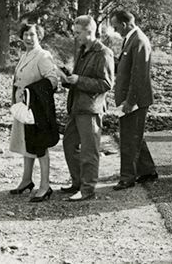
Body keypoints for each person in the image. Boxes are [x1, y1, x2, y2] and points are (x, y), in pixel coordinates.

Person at [59, 15, 114, 202]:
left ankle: (87, 189)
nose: (75, 36)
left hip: (91, 109)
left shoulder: (104, 53)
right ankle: (78, 183)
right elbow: (80, 78)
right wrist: (69, 80)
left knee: (89, 151)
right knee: (69, 144)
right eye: (74, 32)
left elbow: (106, 84)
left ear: (90, 30)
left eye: (78, 32)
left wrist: (79, 80)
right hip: (77, 106)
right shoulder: (82, 51)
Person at [8, 22, 59, 202]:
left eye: (32, 35)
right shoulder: (25, 55)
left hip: (37, 109)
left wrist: (30, 91)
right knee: (26, 142)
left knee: (40, 145)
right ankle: (26, 180)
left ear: (39, 36)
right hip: (24, 108)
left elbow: (53, 80)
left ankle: (45, 185)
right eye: (25, 35)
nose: (28, 38)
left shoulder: (43, 56)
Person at [110, 10, 157, 190]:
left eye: (116, 27)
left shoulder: (139, 41)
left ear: (124, 24)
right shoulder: (131, 39)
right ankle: (147, 171)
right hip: (130, 99)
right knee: (135, 135)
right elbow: (126, 68)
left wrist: (130, 102)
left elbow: (139, 75)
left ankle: (127, 178)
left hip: (134, 100)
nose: (115, 30)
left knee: (129, 138)